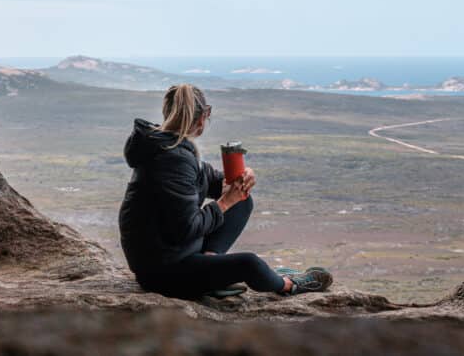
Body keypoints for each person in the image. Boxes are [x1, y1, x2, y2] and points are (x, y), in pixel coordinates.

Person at [118, 83, 333, 299]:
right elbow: (185, 229)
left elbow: (211, 180)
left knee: (243, 201)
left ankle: (211, 267)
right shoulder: (172, 158)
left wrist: (241, 178)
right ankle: (289, 285)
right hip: (164, 273)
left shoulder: (168, 147)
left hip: (170, 255)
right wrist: (225, 202)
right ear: (204, 117)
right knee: (250, 264)